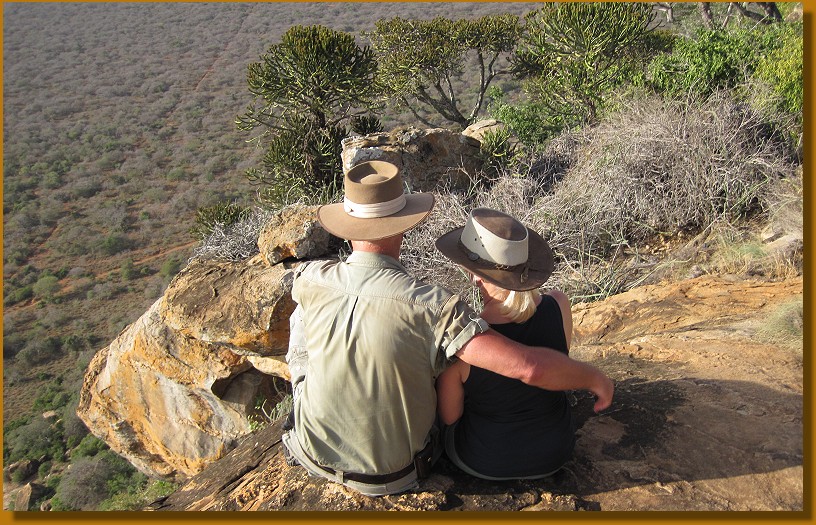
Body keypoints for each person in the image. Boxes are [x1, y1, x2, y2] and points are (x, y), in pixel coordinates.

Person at [283, 160, 613, 497]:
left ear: (348, 225)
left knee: (302, 319)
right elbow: (528, 367)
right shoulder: (434, 306)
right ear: (403, 226)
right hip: (393, 475)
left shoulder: (310, 277)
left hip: (309, 450)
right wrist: (594, 378)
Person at [435, 208, 577, 480]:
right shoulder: (559, 305)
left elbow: (450, 417)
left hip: (485, 460)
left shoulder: (466, 341)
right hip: (556, 452)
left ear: (476, 277)